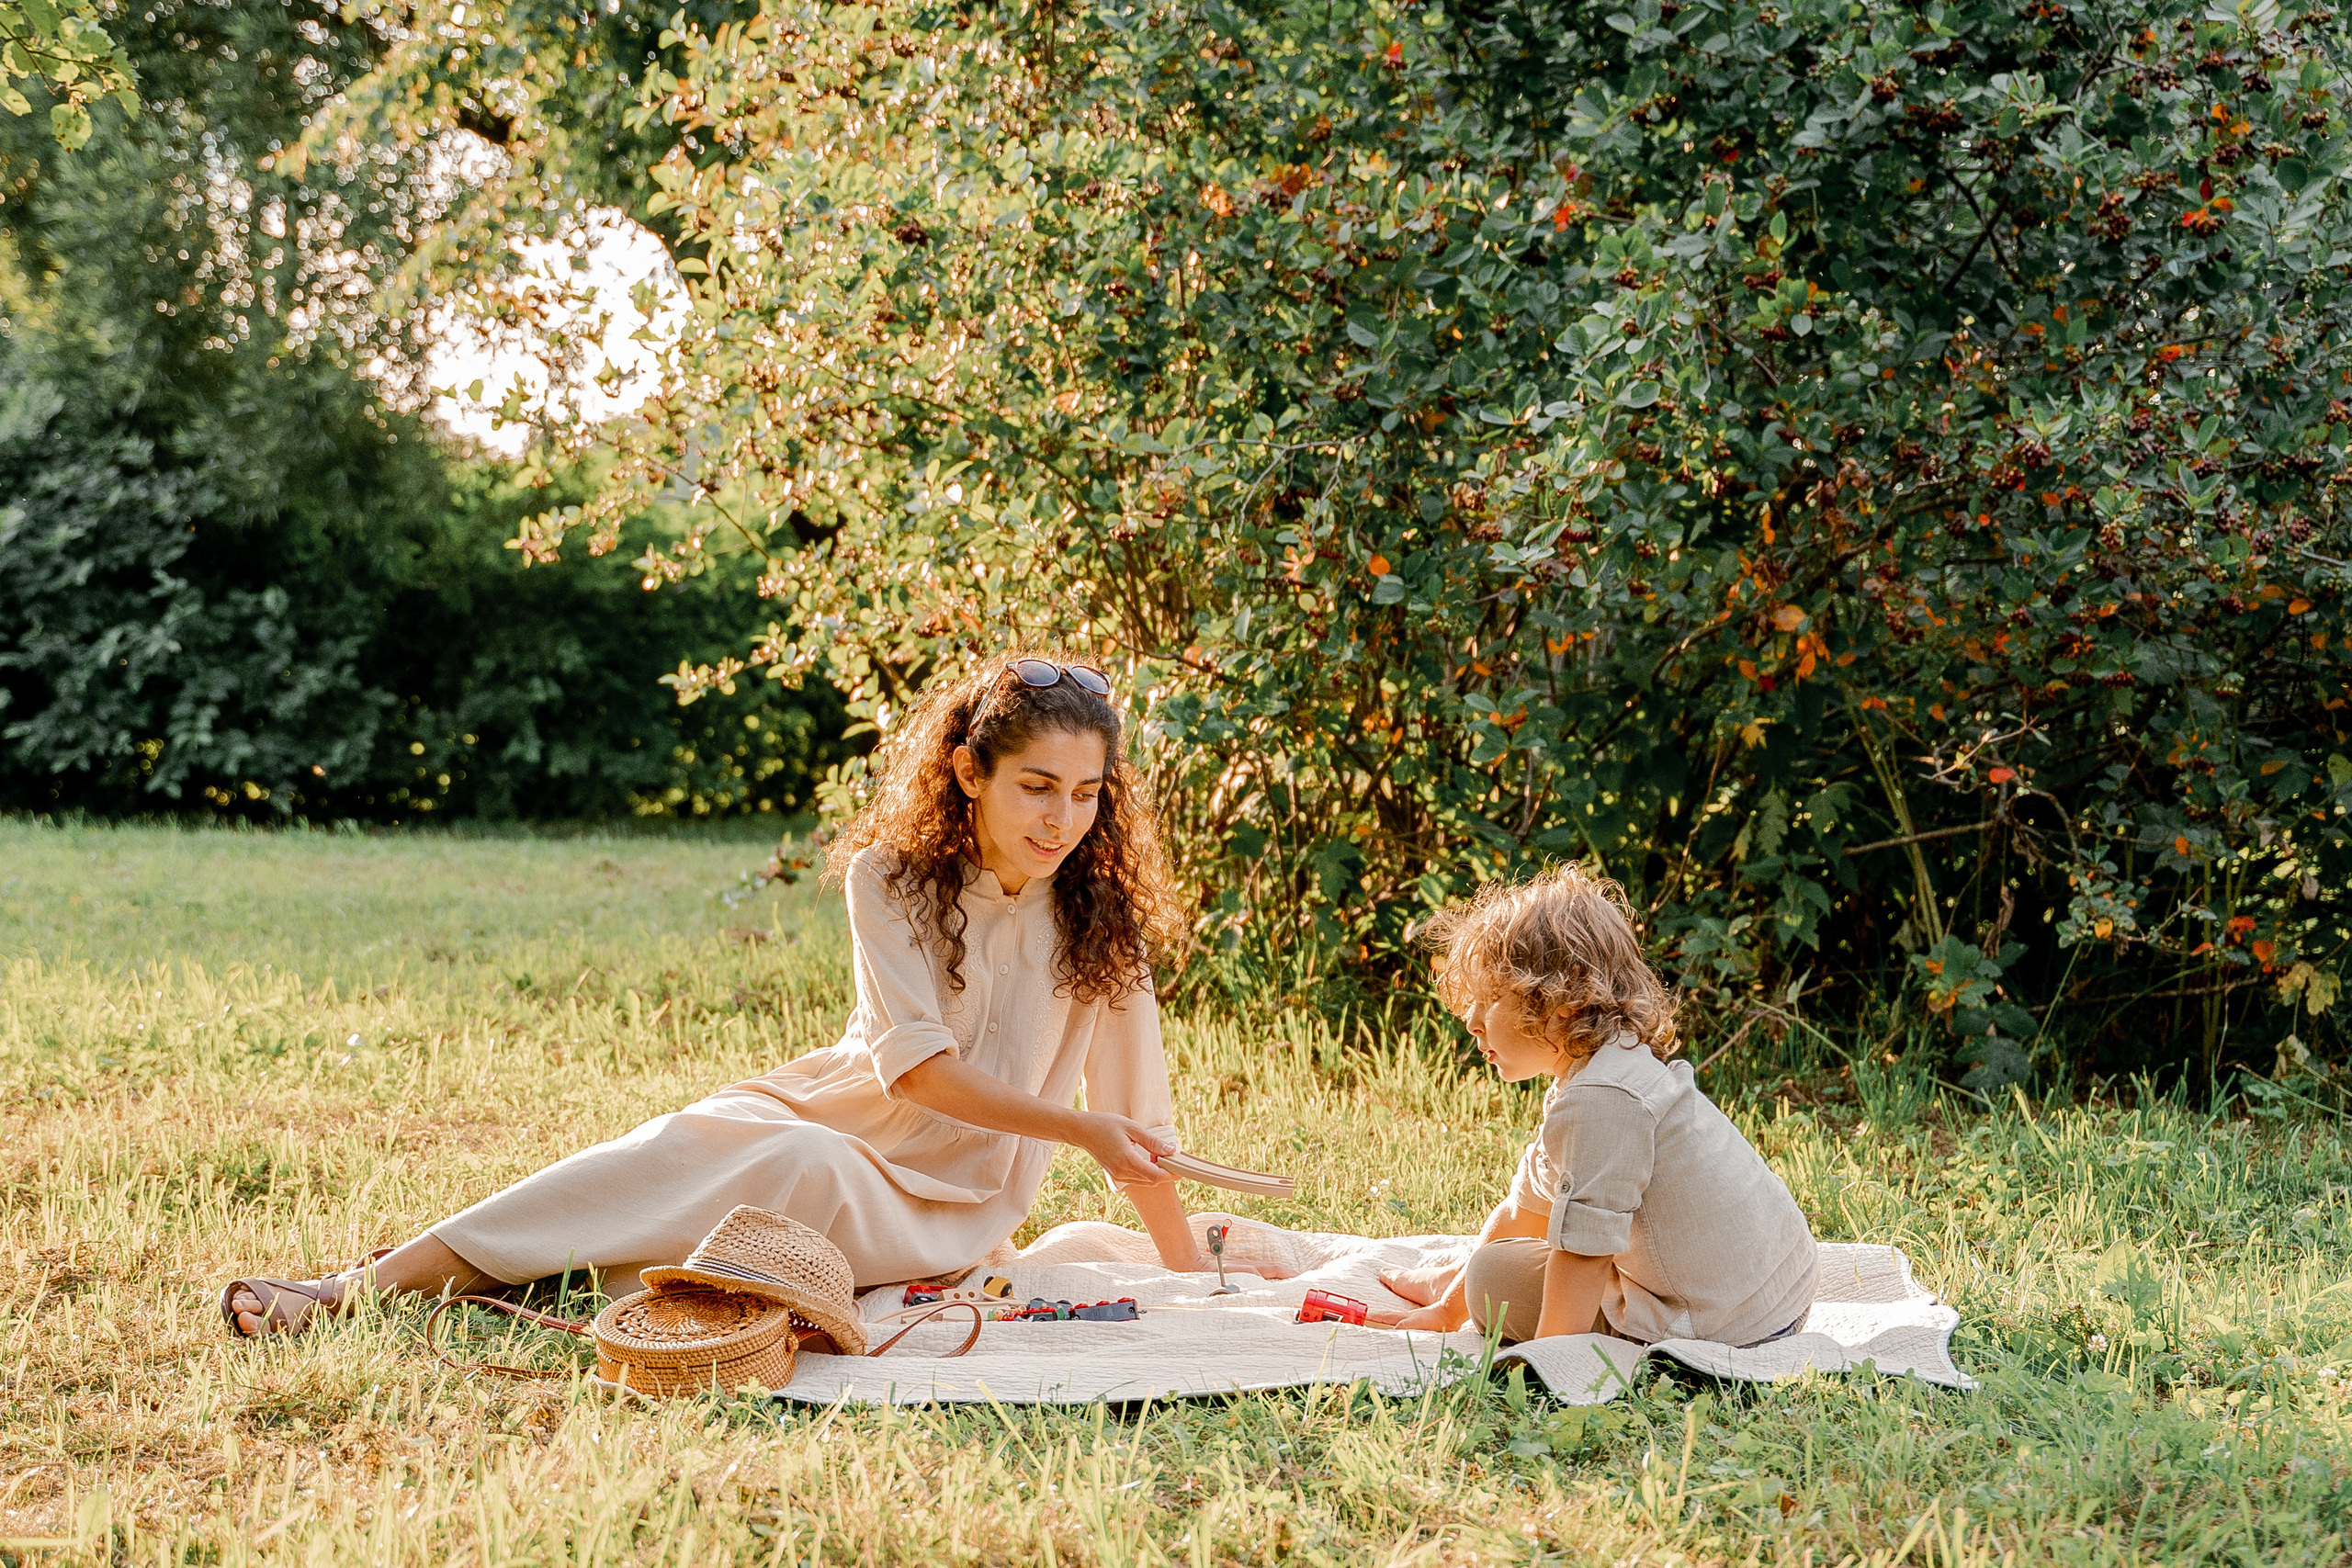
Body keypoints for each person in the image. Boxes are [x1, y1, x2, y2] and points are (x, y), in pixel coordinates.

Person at [221, 655, 1284, 1335]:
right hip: (818, 1116)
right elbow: (914, 1069)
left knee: (787, 1168)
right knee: (706, 1138)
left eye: (1088, 795)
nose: (1063, 820)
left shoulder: (1100, 924)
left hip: (943, 1213)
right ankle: (357, 1291)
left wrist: (1187, 1275)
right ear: (969, 773)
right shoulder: (889, 878)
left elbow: (1136, 1127)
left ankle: (495, 1276)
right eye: (1037, 788)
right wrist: (1082, 1129)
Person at [1372, 866, 1815, 1346]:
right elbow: (1525, 1210)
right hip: (1771, 1292)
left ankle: (1467, 1279)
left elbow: (1584, 1254)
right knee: (1498, 1258)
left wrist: (1546, 1362)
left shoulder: (1603, 1104)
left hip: (1725, 1325)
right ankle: (1452, 1281)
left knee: (1494, 1277)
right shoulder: (1607, 1066)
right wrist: (1445, 1311)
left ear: (1562, 1000)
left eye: (1490, 999)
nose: (1471, 1021)